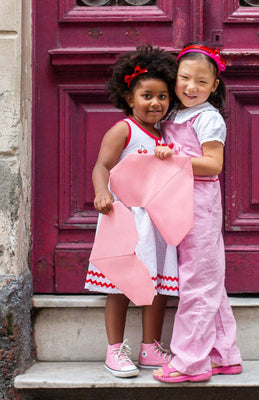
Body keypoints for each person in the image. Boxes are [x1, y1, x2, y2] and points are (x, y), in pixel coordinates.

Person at [84, 45, 178, 378]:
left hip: (155, 221)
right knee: (122, 285)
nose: (156, 103)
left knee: (155, 287)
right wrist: (100, 193)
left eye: (163, 96)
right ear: (129, 98)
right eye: (147, 96)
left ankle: (150, 347)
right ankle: (115, 350)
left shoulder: (165, 134)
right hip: (123, 216)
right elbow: (102, 166)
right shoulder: (124, 130)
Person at [153, 44, 242, 383]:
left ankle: (190, 362)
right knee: (208, 280)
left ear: (214, 86)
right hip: (177, 200)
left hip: (199, 203)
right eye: (184, 79)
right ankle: (224, 355)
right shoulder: (173, 116)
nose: (191, 87)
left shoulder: (208, 118)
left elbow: (213, 164)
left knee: (198, 283)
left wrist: (173, 159)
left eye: (201, 82)